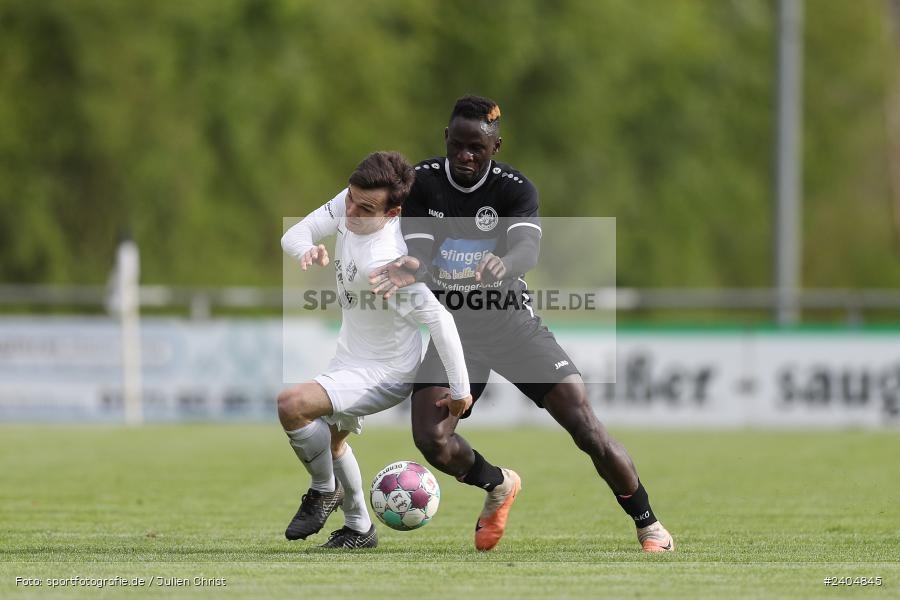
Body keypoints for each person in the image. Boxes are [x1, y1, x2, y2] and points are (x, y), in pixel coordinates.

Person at [369, 96, 674, 552]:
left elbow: (527, 249)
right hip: (455, 332)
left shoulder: (515, 189)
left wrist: (505, 265)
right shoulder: (424, 182)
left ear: (496, 146)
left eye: (477, 147)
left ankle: (649, 525)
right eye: (457, 145)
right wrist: (412, 264)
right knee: (431, 439)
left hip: (512, 325)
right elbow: (419, 246)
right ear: (445, 139)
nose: (465, 157)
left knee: (585, 425)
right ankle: (498, 484)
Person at [279, 151, 472, 549]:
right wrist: (305, 251)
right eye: (349, 198)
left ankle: (322, 491)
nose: (350, 211)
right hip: (348, 358)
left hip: (385, 372)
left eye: (365, 207)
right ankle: (358, 528)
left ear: (392, 213)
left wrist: (461, 392)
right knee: (332, 444)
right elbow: (293, 235)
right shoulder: (353, 201)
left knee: (292, 404)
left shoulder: (389, 262)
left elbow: (440, 320)